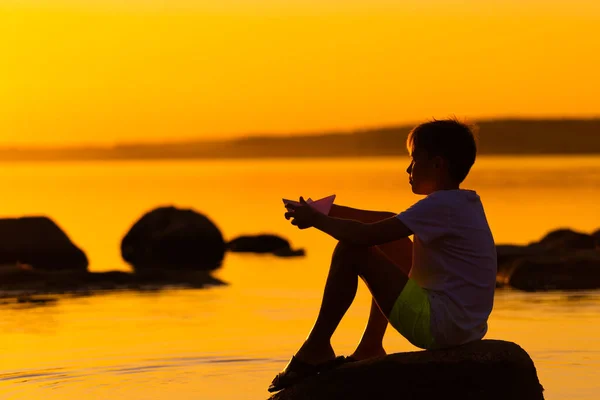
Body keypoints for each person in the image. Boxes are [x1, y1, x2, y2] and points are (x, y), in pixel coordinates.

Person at [268, 118, 497, 393]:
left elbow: (363, 237)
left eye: (414, 159)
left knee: (350, 250)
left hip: (439, 326)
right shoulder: (462, 202)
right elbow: (388, 223)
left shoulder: (440, 205)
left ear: (437, 164)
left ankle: (315, 348)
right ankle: (370, 348)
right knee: (393, 242)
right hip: (463, 326)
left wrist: (316, 221)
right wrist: (326, 211)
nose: (408, 168)